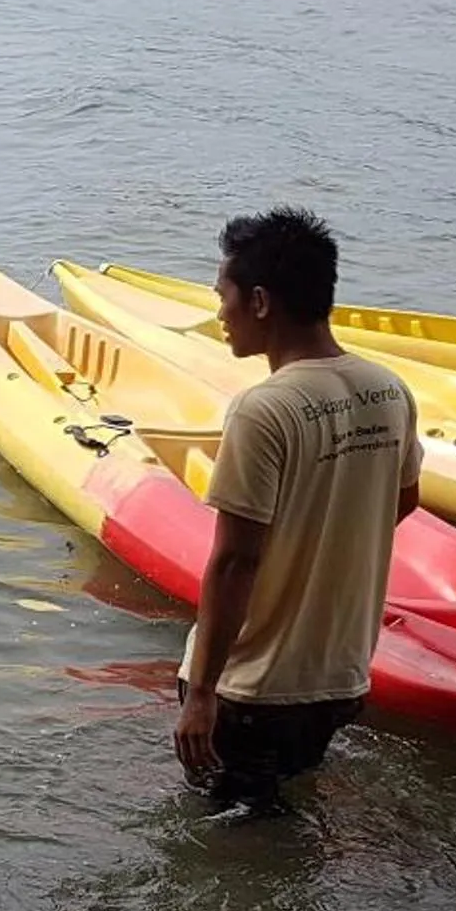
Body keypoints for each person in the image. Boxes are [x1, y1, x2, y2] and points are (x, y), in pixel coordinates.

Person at [174, 206, 418, 813]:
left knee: (225, 850)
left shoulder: (264, 410)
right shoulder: (390, 391)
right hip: (340, 680)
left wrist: (202, 693)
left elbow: (234, 563)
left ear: (259, 301)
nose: (219, 314)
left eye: (221, 295)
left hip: (252, 690)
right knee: (286, 818)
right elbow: (404, 499)